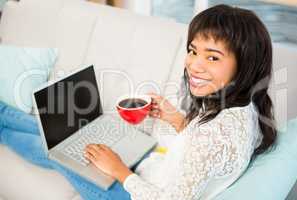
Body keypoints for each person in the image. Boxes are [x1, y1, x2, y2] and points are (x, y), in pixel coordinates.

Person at [0, 4, 277, 200]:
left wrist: (119, 169)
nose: (194, 65)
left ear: (245, 65)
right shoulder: (246, 107)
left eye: (212, 57)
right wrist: (177, 120)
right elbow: (207, 154)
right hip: (154, 171)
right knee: (72, 136)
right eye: (193, 51)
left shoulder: (216, 135)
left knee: (61, 152)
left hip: (131, 193)